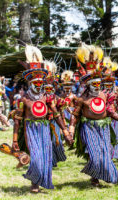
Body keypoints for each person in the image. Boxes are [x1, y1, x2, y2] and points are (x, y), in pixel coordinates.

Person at [10, 45, 72, 193]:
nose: (39, 85)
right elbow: (17, 121)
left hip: (44, 128)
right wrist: (14, 140)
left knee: (46, 157)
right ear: (30, 83)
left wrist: (65, 131)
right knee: (36, 157)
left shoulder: (47, 97)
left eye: (40, 82)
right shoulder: (23, 99)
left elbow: (56, 115)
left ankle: (42, 180)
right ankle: (34, 183)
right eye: (36, 83)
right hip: (30, 129)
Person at [69, 43, 118, 186]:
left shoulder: (103, 95)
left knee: (106, 152)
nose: (97, 86)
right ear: (88, 84)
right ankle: (98, 175)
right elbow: (75, 115)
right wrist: (70, 129)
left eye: (98, 84)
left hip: (104, 127)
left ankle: (99, 176)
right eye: (94, 84)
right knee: (95, 154)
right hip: (89, 127)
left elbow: (110, 111)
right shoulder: (82, 98)